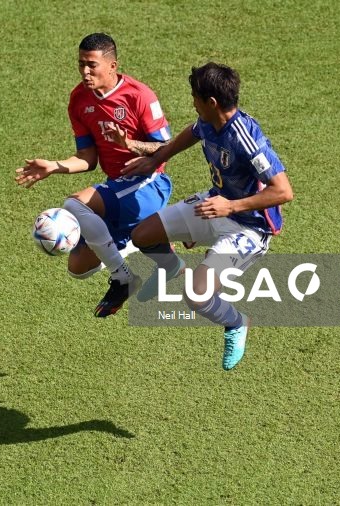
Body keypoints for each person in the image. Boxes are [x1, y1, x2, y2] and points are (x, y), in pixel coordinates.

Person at [123, 62, 294, 370]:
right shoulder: (209, 121)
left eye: (194, 97)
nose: (192, 102)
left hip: (248, 228)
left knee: (196, 297)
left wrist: (229, 207)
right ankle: (172, 268)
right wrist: (156, 159)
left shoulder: (246, 138)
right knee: (142, 236)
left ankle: (236, 323)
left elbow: (283, 191)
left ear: (211, 102)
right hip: (213, 204)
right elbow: (191, 133)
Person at [15, 32, 174, 317]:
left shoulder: (140, 96)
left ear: (112, 65)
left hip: (149, 185)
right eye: (80, 65)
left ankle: (123, 277)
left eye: (92, 65)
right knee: (77, 268)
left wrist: (128, 145)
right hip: (117, 189)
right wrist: (55, 166)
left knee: (74, 204)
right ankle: (148, 248)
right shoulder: (79, 100)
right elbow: (88, 159)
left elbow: (165, 147)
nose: (85, 72)